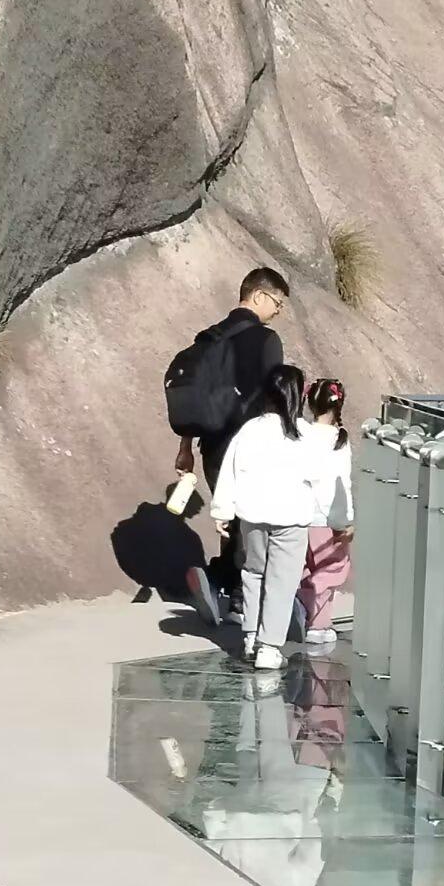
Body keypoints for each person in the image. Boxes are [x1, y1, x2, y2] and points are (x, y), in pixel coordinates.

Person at [165, 265, 291, 624]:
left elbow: (197, 393)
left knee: (230, 517)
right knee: (251, 520)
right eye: (278, 303)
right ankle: (233, 593)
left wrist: (185, 446)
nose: (278, 312)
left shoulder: (210, 337)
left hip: (211, 445)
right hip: (250, 444)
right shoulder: (266, 341)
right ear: (259, 295)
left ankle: (221, 582)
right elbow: (273, 397)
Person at [209, 364, 335, 668]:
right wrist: (327, 515)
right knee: (281, 581)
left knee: (253, 573)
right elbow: (321, 479)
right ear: (299, 395)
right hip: (292, 518)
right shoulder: (306, 434)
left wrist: (222, 511)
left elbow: (231, 471)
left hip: (252, 516)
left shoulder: (250, 430)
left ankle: (250, 636)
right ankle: (269, 647)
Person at [296, 377, 354, 642]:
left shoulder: (300, 432)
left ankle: (308, 617)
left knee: (306, 566)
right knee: (333, 568)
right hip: (327, 519)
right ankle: (316, 625)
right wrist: (345, 521)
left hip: (298, 515)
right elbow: (342, 484)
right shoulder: (339, 440)